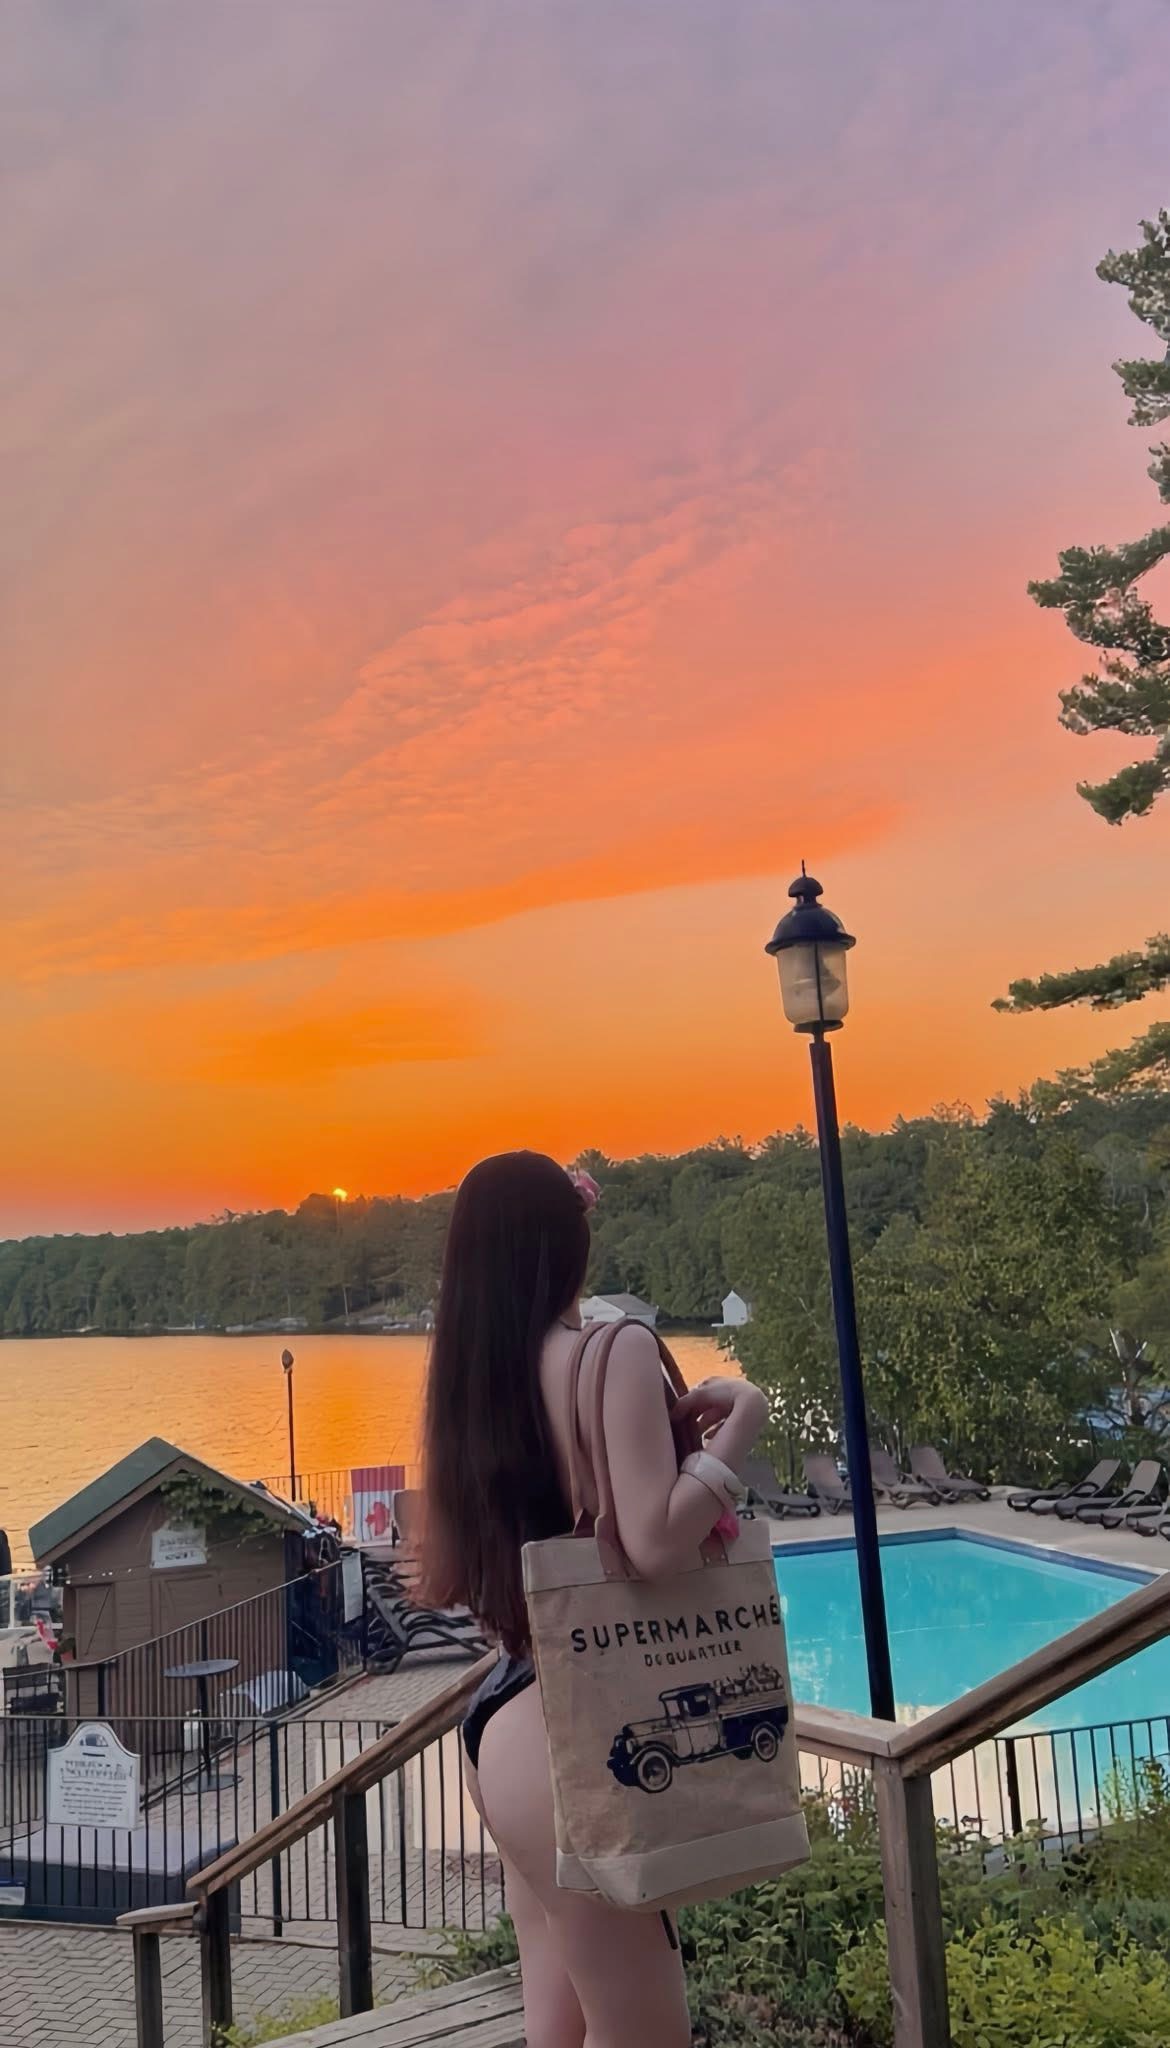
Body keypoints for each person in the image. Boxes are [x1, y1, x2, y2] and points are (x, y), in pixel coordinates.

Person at [422, 1151, 769, 2048]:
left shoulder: (477, 1380)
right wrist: (739, 1432)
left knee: (561, 2021)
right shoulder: (614, 1351)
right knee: (644, 2031)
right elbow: (652, 1543)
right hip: (579, 1730)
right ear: (567, 1245)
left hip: (503, 1720)